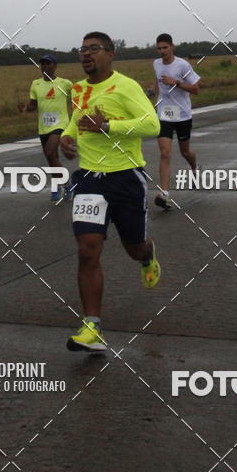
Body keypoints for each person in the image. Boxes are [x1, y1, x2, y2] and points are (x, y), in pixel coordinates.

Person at [60, 32, 161, 352]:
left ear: (110, 54)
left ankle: (148, 256)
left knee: (135, 248)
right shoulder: (77, 89)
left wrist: (108, 127)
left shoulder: (126, 87)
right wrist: (66, 136)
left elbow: (152, 125)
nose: (86, 54)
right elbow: (77, 120)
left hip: (125, 178)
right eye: (82, 49)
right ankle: (93, 328)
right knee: (88, 249)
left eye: (94, 49)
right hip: (90, 179)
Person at [151, 33, 201, 210]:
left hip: (183, 115)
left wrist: (176, 83)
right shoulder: (156, 64)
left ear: (172, 47)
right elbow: (157, 82)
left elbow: (196, 89)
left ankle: (195, 169)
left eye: (165, 47)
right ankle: (164, 195)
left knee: (185, 152)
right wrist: (151, 92)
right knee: (165, 153)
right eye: (159, 48)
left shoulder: (182, 65)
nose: (162, 51)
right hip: (164, 114)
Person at [19, 54, 73, 201]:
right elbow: (33, 105)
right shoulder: (36, 84)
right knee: (52, 159)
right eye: (42, 64)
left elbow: (78, 98)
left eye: (48, 63)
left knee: (50, 152)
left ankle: (67, 184)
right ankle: (57, 187)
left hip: (60, 125)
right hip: (43, 127)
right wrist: (25, 108)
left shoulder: (65, 83)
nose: (44, 66)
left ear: (55, 66)